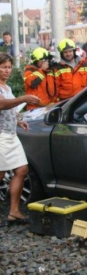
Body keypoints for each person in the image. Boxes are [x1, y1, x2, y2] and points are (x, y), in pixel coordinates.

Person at [0, 53, 40, 227]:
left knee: (22, 170)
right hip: (0, 135)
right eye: (3, 67)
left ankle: (14, 212)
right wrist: (23, 98)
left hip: (11, 134)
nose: (7, 71)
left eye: (9, 67)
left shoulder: (7, 87)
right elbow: (1, 104)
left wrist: (18, 120)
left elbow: (9, 108)